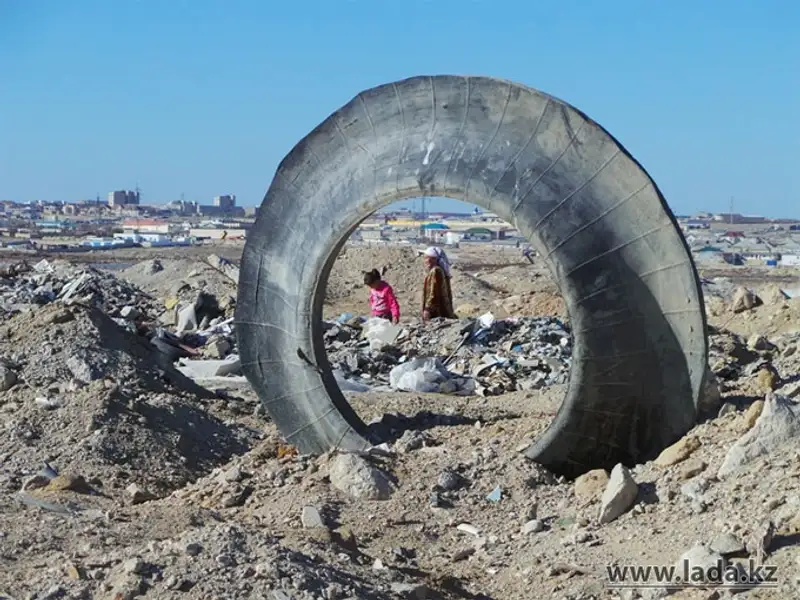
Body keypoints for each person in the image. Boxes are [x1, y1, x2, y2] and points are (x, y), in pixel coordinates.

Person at [421, 246, 456, 321]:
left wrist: (428, 309)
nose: (426, 260)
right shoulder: (441, 271)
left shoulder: (436, 271)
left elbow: (433, 293)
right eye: (425, 258)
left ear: (434, 259)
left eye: (428, 258)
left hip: (437, 312)